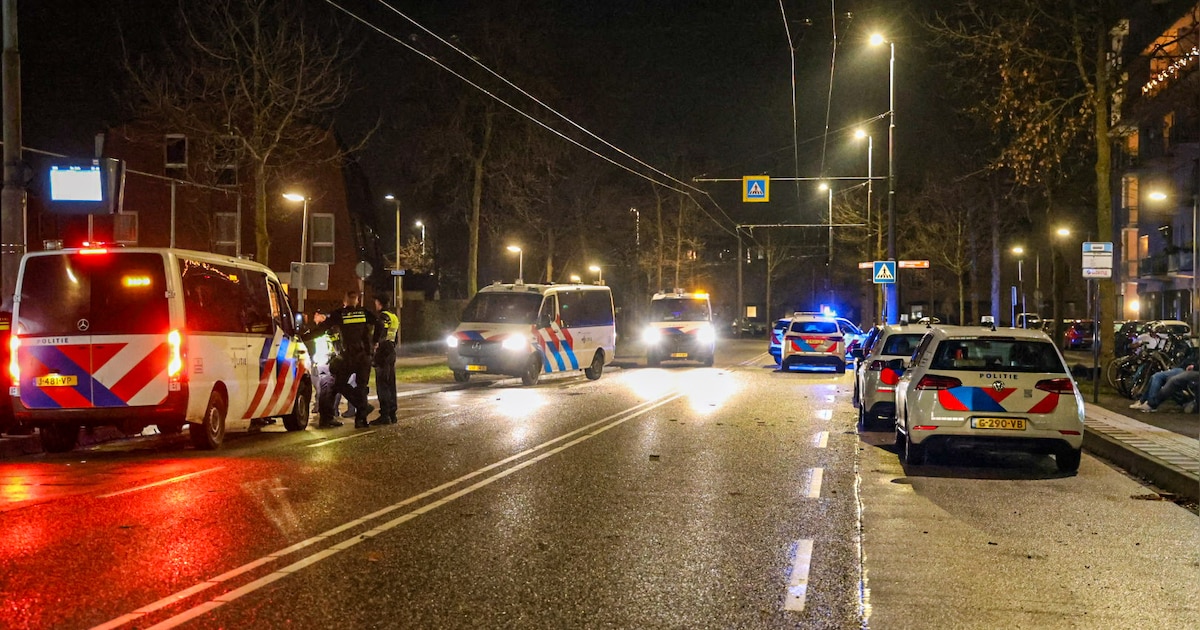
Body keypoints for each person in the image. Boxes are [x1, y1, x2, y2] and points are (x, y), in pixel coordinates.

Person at [308, 290, 380, 428]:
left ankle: (360, 406)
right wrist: (375, 342)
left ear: (345, 300)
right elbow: (380, 324)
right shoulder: (364, 312)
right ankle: (361, 419)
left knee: (339, 384)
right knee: (361, 387)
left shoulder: (340, 313)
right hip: (363, 355)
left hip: (348, 356)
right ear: (357, 300)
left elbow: (322, 329)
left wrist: (304, 336)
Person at [1131, 344, 1198, 411]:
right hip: (1184, 368)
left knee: (1172, 380)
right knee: (1156, 376)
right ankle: (1143, 401)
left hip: (1194, 371)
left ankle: (1151, 404)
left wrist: (1194, 367)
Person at [370, 296, 401, 426]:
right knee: (390, 383)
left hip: (383, 351)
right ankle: (392, 414)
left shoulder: (383, 316)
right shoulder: (394, 316)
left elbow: (381, 332)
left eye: (376, 302)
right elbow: (396, 337)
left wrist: (375, 344)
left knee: (382, 384)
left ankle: (384, 415)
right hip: (391, 350)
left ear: (379, 303)